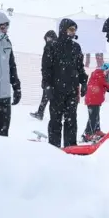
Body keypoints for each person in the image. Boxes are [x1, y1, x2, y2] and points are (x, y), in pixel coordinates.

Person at [41, 18, 87, 149]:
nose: (73, 32)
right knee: (55, 121)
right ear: (63, 29)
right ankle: (54, 149)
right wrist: (47, 85)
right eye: (71, 29)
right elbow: (46, 68)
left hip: (71, 90)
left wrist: (84, 82)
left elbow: (80, 67)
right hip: (56, 90)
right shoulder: (52, 46)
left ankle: (70, 148)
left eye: (75, 30)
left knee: (71, 120)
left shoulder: (76, 47)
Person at [29, 29, 58, 121]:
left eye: (47, 38)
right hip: (56, 78)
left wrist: (45, 80)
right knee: (47, 96)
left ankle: (44, 113)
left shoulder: (49, 47)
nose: (47, 40)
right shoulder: (58, 47)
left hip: (50, 77)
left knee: (48, 95)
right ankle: (41, 112)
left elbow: (46, 66)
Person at [83, 63, 109, 140]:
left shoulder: (97, 74)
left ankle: (97, 130)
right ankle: (88, 133)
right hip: (93, 99)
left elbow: (102, 84)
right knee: (93, 117)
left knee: (96, 115)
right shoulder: (101, 75)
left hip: (93, 99)